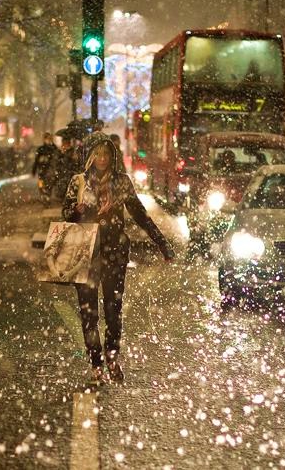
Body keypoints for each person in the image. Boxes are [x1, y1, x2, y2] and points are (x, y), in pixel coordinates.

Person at [63, 133, 175, 383]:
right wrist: (76, 210)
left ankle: (112, 357)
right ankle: (96, 364)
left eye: (106, 155)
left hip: (115, 253)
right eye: (98, 154)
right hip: (85, 254)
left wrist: (162, 244)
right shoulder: (78, 182)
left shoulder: (122, 182)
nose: (102, 159)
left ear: (112, 158)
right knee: (88, 312)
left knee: (113, 310)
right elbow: (66, 214)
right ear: (90, 157)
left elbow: (140, 214)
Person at [32, 132, 60, 204]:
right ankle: (43, 195)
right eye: (46, 138)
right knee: (41, 184)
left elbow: (57, 158)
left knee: (50, 184)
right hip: (42, 170)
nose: (47, 140)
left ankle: (47, 196)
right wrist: (34, 170)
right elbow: (36, 161)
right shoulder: (41, 149)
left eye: (49, 138)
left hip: (50, 170)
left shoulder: (54, 148)